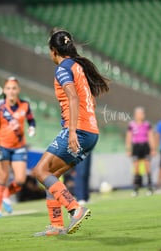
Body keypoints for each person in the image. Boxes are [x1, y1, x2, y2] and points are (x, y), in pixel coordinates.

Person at [33, 30, 109, 236]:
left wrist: (73, 131)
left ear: (54, 51)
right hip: (91, 131)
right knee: (52, 176)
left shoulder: (63, 69)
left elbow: (74, 98)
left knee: (40, 171)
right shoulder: (78, 66)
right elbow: (90, 101)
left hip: (78, 129)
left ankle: (75, 209)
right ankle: (57, 225)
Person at [0, 77, 36, 218]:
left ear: (18, 90)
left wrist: (32, 128)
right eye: (8, 88)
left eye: (14, 88)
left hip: (19, 146)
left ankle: (6, 194)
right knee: (3, 177)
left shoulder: (25, 105)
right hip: (2, 146)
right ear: (4, 90)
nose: (11, 91)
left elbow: (31, 119)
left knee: (20, 180)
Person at [126, 107, 156, 196]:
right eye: (139, 114)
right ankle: (136, 189)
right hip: (136, 147)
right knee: (136, 168)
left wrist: (153, 149)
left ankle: (150, 188)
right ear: (135, 115)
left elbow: (150, 137)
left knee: (147, 167)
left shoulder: (147, 124)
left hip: (145, 146)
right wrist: (128, 150)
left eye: (142, 113)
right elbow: (128, 138)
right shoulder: (131, 125)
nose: (141, 115)